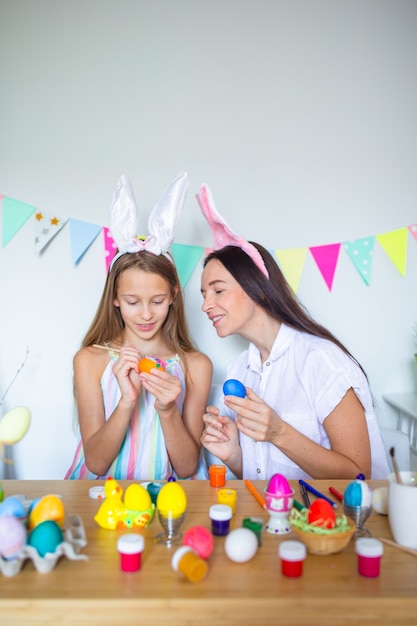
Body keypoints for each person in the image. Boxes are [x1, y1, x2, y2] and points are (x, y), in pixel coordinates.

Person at [196, 183, 389, 481]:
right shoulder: (240, 371)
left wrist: (279, 432)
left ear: (257, 288)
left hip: (335, 524)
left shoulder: (321, 361)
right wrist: (233, 453)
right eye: (203, 294)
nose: (206, 305)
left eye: (217, 290)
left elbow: (359, 474)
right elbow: (261, 476)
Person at [65, 173, 212, 480]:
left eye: (157, 300)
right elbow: (96, 463)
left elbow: (186, 468)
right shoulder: (90, 360)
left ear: (173, 295)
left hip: (165, 502)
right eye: (133, 301)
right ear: (115, 299)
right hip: (100, 502)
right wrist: (126, 402)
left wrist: (169, 409)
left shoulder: (195, 366)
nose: (146, 314)